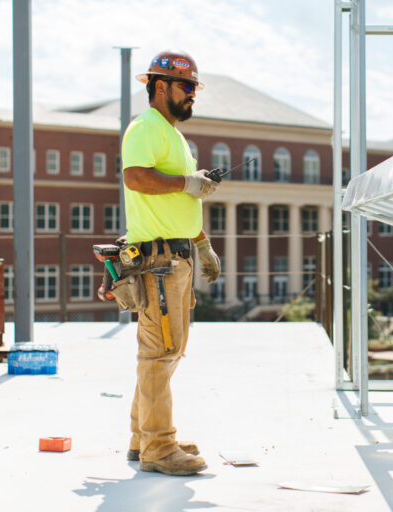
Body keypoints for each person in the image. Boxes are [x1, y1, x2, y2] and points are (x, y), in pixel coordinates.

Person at [119, 50, 221, 476]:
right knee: (160, 351)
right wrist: (188, 182)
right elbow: (136, 177)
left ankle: (144, 436)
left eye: (195, 87)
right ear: (160, 87)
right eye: (187, 86)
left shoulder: (172, 134)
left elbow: (179, 202)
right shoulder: (146, 128)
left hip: (175, 256)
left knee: (168, 350)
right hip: (159, 260)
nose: (193, 95)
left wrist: (202, 245)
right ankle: (159, 448)